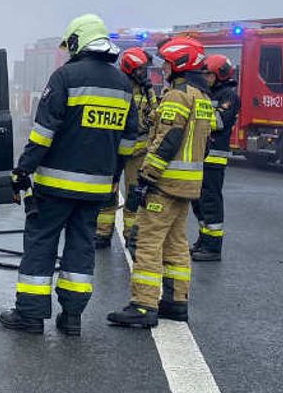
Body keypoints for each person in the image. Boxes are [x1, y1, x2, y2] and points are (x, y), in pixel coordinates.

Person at [0, 14, 138, 337]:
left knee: (41, 244)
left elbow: (43, 133)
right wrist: (113, 177)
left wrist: (23, 169)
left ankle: (30, 315)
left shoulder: (65, 77)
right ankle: (72, 317)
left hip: (55, 187)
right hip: (96, 190)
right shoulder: (123, 85)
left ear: (78, 41)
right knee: (81, 247)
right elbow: (128, 142)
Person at [108, 36, 215, 328]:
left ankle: (143, 305)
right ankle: (176, 302)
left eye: (167, 63)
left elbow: (167, 140)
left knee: (147, 241)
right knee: (176, 242)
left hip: (164, 184)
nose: (163, 68)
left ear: (179, 63)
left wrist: (146, 177)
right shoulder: (202, 98)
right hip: (187, 185)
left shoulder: (177, 96)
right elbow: (205, 144)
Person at [95, 47, 156, 250]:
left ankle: (132, 235)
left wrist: (151, 100)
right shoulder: (117, 87)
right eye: (140, 70)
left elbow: (155, 115)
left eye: (144, 69)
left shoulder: (147, 90)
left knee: (134, 195)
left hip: (138, 151)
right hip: (116, 149)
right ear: (130, 68)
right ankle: (102, 233)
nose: (144, 73)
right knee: (108, 192)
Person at [191, 54, 240, 261]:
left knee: (210, 202)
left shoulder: (229, 96)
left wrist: (195, 115)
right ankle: (203, 239)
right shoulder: (207, 93)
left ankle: (213, 247)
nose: (205, 78)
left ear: (220, 75)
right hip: (200, 156)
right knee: (198, 202)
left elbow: (219, 122)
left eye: (209, 74)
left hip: (214, 158)